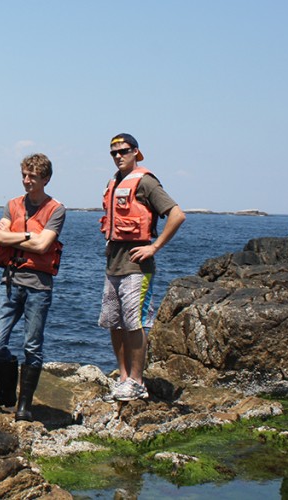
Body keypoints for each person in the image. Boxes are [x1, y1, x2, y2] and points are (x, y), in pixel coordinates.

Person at [99, 133, 185, 402]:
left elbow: (177, 214)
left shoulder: (146, 182)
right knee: (115, 322)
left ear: (136, 152)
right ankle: (123, 378)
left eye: (123, 151)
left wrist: (153, 247)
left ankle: (137, 381)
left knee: (134, 323)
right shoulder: (114, 182)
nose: (118, 156)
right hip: (114, 264)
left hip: (137, 267)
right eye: (114, 152)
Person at [0, 154, 65, 421]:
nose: (26, 180)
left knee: (32, 345)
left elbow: (44, 246)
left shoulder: (56, 209)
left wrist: (13, 239)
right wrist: (29, 236)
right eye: (24, 175)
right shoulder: (12, 205)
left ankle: (24, 405)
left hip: (39, 286)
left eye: (32, 176)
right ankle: (6, 393)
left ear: (45, 178)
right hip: (9, 281)